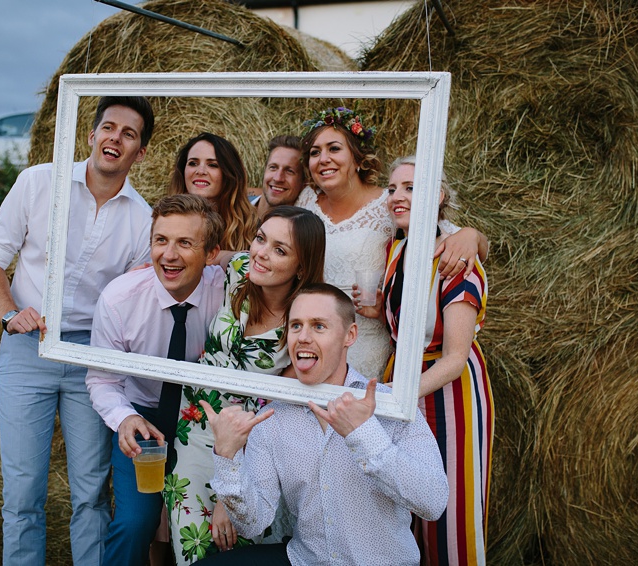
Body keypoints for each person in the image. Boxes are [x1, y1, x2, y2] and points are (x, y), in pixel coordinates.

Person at [0, 96, 157, 566]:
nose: (115, 138)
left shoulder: (143, 220)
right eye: (108, 128)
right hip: (25, 348)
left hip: (90, 361)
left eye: (129, 134)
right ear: (92, 135)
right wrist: (8, 312)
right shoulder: (38, 182)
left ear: (140, 153)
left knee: (91, 493)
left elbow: (133, 304)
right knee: (22, 492)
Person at [196, 284, 448, 566]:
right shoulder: (272, 420)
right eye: (296, 326)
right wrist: (228, 457)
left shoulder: (390, 408)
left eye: (318, 326)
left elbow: (433, 501)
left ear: (349, 335)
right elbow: (253, 523)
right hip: (305, 560)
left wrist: (364, 435)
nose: (303, 337)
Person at [167, 205, 325, 563]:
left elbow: (278, 410)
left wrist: (229, 497)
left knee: (238, 545)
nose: (261, 253)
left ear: (301, 267)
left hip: (253, 447)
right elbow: (209, 254)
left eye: (279, 250)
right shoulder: (240, 269)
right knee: (190, 548)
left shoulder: (302, 320)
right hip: (193, 428)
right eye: (260, 239)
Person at [361, 156, 492, 566]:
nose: (398, 196)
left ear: (437, 196)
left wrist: (397, 396)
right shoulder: (396, 249)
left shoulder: (456, 259)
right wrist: (377, 309)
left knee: (451, 511)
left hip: (448, 393)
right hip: (400, 377)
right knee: (399, 503)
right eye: (393, 188)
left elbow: (455, 356)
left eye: (411, 188)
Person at [85, 193, 226, 566]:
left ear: (211, 253)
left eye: (184, 242)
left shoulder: (228, 293)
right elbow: (102, 380)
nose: (169, 254)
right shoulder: (119, 299)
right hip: (143, 418)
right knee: (134, 522)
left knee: (210, 524)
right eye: (161, 240)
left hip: (204, 422)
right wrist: (124, 418)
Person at [294, 108, 487, 378]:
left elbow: (444, 232)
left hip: (367, 340)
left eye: (334, 148)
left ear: (359, 159)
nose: (323, 159)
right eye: (315, 152)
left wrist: (473, 235)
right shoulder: (305, 201)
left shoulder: (390, 202)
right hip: (311, 336)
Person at [169, 132, 256, 253]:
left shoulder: (252, 228)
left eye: (212, 165)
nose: (200, 171)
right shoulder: (162, 220)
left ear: (229, 174)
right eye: (193, 163)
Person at [254, 135, 306, 216]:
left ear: (304, 182)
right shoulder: (233, 208)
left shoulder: (302, 227)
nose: (278, 178)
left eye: (289, 171)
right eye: (273, 167)